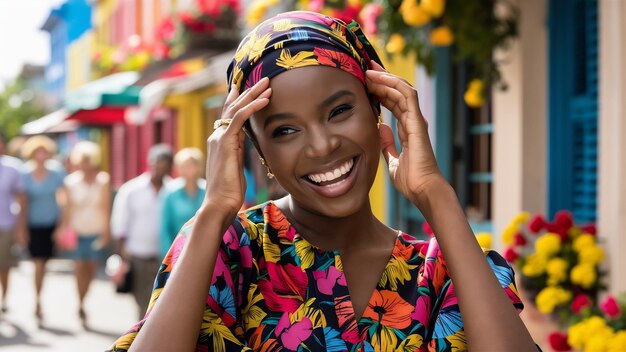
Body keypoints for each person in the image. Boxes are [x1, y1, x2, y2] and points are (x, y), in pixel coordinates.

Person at [108, 11, 537, 351]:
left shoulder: (441, 269)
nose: (321, 146)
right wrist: (214, 211)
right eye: (285, 131)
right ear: (258, 153)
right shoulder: (227, 251)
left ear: (376, 113)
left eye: (339, 111)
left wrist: (436, 195)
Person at [111, 144, 173, 319]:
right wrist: (123, 255)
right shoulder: (131, 190)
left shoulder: (173, 190)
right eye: (157, 164)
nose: (159, 169)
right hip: (138, 256)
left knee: (162, 301)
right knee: (142, 301)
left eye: (164, 165)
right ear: (150, 163)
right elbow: (120, 223)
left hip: (167, 257)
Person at [58, 141, 111, 327]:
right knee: (79, 267)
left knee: (91, 268)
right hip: (77, 231)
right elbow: (66, 209)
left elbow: (106, 208)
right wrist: (62, 230)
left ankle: (84, 298)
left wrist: (106, 232)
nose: (85, 164)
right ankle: (80, 302)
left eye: (88, 160)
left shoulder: (103, 180)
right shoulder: (70, 182)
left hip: (96, 231)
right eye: (82, 160)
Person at [18, 135, 65, 324]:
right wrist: (21, 229)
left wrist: (62, 226)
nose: (41, 155)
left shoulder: (56, 172)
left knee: (44, 263)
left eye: (44, 151)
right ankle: (37, 300)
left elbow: (64, 200)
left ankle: (39, 296)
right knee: (37, 263)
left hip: (50, 224)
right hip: (32, 224)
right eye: (38, 152)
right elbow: (22, 203)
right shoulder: (25, 174)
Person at [160, 147, 205, 258]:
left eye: (192, 165)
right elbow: (165, 229)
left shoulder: (208, 189)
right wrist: (169, 257)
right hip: (178, 252)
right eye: (184, 166)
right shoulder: (170, 193)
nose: (189, 169)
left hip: (205, 248)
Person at [0, 132, 25, 315]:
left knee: (4, 265)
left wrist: (20, 228)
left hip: (6, 224)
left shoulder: (12, 167)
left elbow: (21, 198)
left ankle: (4, 298)